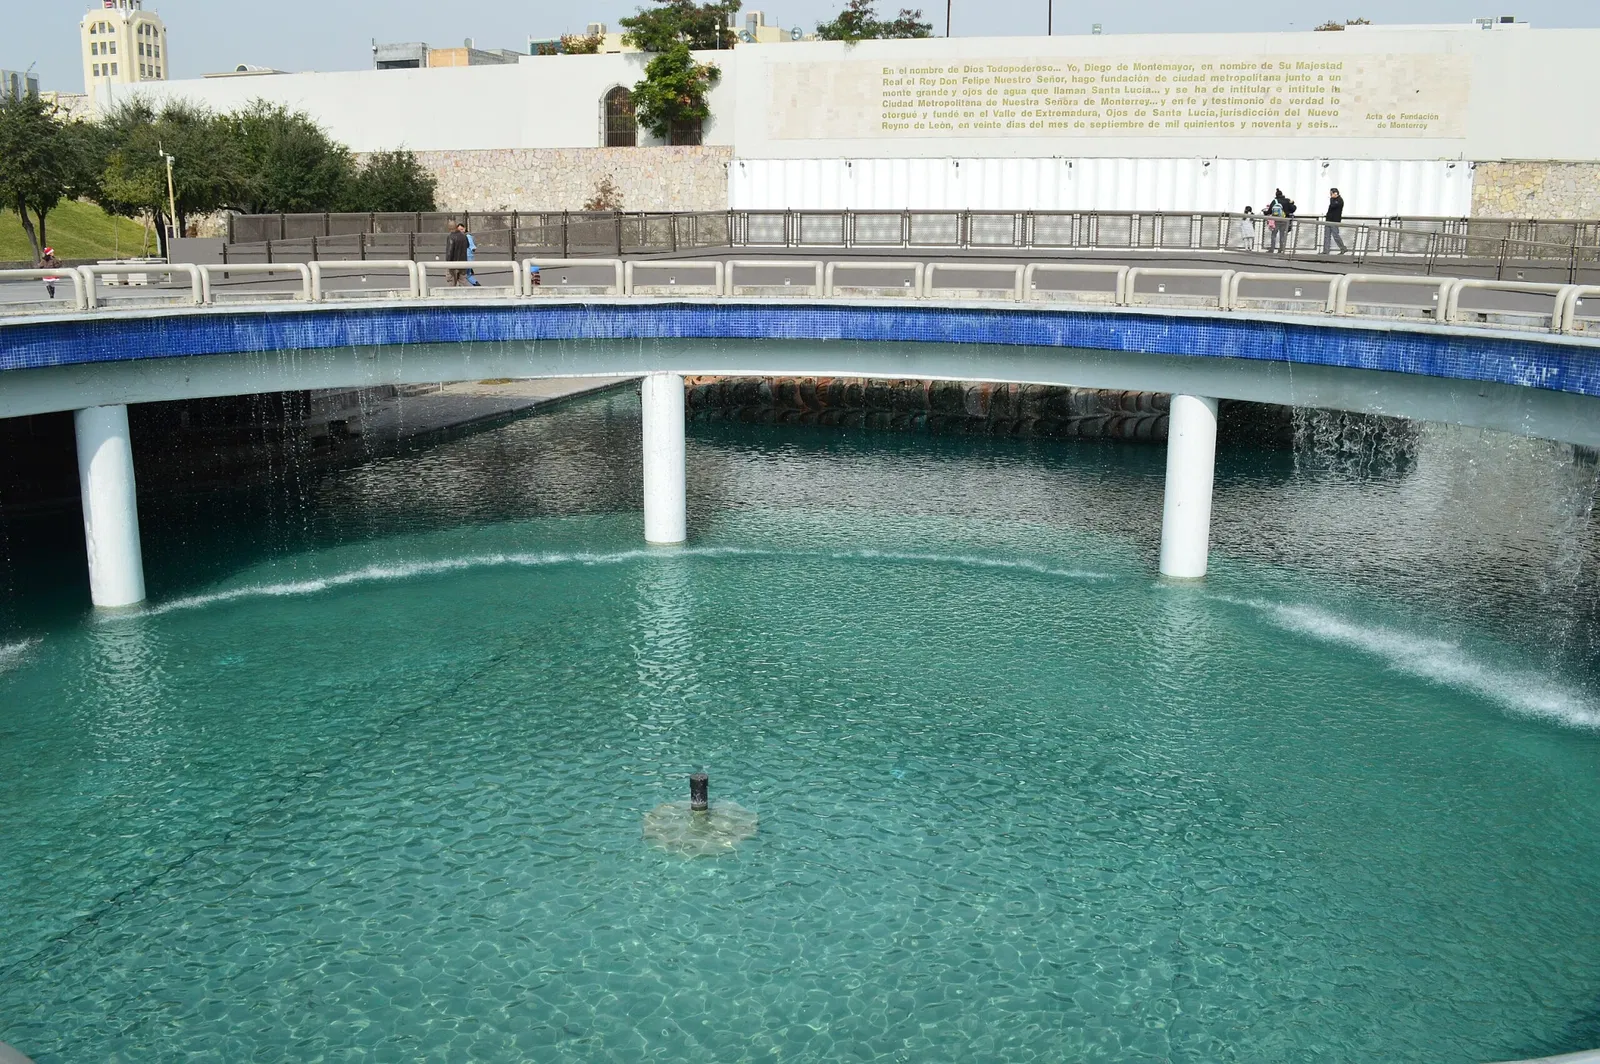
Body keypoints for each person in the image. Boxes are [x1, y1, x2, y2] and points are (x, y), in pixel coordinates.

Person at [1270, 188, 1297, 253]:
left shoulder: (1275, 201)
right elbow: (1292, 209)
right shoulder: (1287, 200)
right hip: (1285, 220)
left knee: (1274, 235)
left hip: (1276, 220)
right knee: (1282, 235)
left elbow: (1269, 210)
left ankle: (1272, 249)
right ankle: (1281, 249)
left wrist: (1265, 212)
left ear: (1276, 195)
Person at [1323, 187, 1348, 254]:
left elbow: (1333, 205)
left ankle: (1343, 248)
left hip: (1335, 221)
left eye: (1331, 193)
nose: (1330, 195)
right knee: (1327, 236)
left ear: (1335, 193)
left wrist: (1332, 198)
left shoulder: (1339, 200)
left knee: (1335, 235)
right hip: (1328, 220)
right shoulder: (1333, 200)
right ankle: (1326, 250)